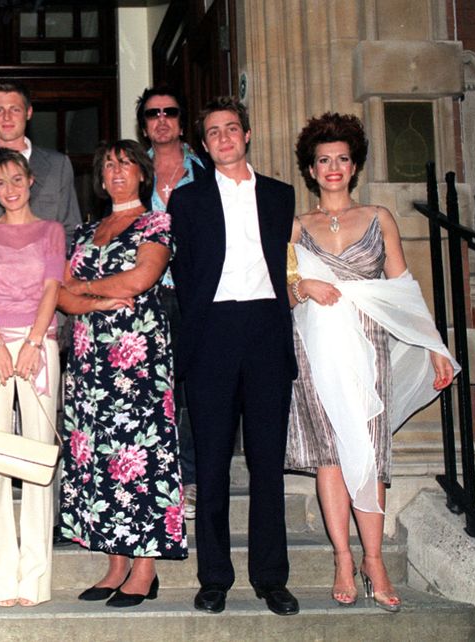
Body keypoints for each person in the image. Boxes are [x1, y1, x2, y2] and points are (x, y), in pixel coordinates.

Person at [284, 112, 458, 611]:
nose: (333, 167)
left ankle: (374, 559)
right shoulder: (295, 227)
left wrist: (434, 346)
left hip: (369, 345)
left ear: (354, 166)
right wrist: (303, 286)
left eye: (342, 158)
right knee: (330, 455)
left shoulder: (380, 217)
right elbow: (282, 294)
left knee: (369, 450)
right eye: (323, 160)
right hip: (315, 350)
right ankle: (343, 558)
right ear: (311, 170)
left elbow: (403, 289)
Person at [168, 96, 299, 616]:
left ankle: (271, 578)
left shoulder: (281, 196)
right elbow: (184, 276)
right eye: (213, 132)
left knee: (268, 464)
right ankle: (214, 578)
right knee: (213, 465)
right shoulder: (187, 201)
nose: (223, 138)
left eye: (231, 129)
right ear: (204, 145)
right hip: (213, 334)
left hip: (267, 331)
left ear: (247, 135)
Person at [57, 140, 187, 608]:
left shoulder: (156, 223)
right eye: (108, 165)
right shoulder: (83, 231)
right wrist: (93, 299)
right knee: (99, 457)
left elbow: (140, 279)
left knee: (140, 454)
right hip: (90, 360)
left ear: (142, 174)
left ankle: (144, 568)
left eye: (126, 164)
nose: (116, 172)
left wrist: (85, 288)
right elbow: (60, 295)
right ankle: (115, 564)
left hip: (137, 358)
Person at [0, 150, 65, 607]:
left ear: (31, 180)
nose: (10, 188)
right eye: (1, 182)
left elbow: (52, 288)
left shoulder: (52, 231)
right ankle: (1, 578)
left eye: (16, 179)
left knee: (39, 458)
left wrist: (32, 342)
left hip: (37, 345)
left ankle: (35, 579)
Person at [135, 85, 207, 519]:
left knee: (192, 389)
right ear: (144, 125)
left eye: (170, 112)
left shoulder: (207, 172)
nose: (161, 119)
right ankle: (152, 474)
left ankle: (191, 477)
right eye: (152, 114)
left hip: (194, 293)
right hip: (145, 295)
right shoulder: (131, 171)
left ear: (181, 122)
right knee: (148, 388)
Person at [0, 81, 81, 246]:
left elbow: (71, 232)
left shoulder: (58, 165)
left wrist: (48, 260)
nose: (7, 117)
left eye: (15, 109)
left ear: (29, 112)